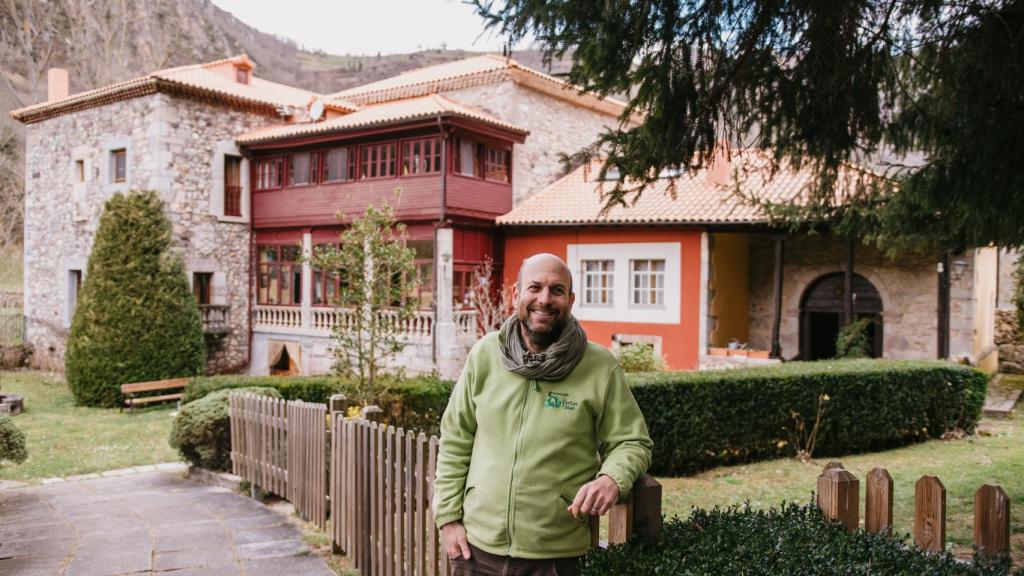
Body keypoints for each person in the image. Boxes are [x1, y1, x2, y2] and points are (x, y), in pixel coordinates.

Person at [433, 253, 654, 575]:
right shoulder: (485, 354)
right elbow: (456, 438)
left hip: (556, 557)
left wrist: (612, 478)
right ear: (515, 295)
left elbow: (633, 442)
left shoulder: (599, 366)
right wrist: (448, 519)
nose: (544, 299)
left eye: (557, 290)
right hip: (475, 550)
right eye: (534, 287)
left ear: (571, 300)